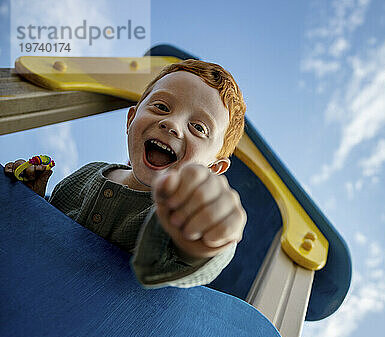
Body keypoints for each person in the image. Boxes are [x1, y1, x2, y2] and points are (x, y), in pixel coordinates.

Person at [3, 59, 247, 289]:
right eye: (161, 107)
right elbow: (48, 232)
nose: (172, 124)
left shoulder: (172, 218)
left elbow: (184, 261)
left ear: (212, 170)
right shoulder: (87, 173)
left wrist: (205, 237)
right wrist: (33, 200)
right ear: (131, 120)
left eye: (199, 127)